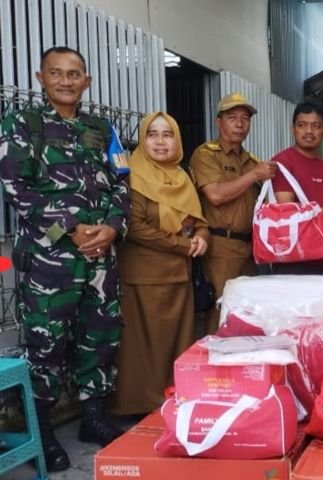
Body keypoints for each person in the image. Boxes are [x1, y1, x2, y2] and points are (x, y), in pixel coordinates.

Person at [0, 46, 130, 471]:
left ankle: (94, 418)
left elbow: (122, 183)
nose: (65, 80)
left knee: (101, 337)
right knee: (46, 345)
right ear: (41, 78)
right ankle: (44, 432)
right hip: (49, 259)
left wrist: (112, 227)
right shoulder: (24, 124)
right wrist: (69, 231)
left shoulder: (100, 127)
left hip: (100, 258)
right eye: (56, 73)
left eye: (74, 74)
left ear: (87, 81)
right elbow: (17, 189)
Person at [112, 112, 208, 415]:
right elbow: (136, 227)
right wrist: (183, 245)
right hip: (144, 277)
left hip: (179, 275)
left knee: (175, 345)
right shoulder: (133, 174)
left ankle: (172, 404)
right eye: (152, 134)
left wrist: (203, 236)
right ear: (142, 139)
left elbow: (196, 217)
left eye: (167, 134)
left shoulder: (183, 176)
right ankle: (142, 408)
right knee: (145, 349)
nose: (160, 141)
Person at [189, 93, 276, 334]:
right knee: (220, 314)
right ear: (219, 122)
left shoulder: (252, 161)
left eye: (245, 118)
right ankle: (214, 370)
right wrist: (254, 176)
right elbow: (215, 195)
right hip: (221, 248)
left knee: (246, 316)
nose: (239, 123)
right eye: (232, 117)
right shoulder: (206, 154)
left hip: (251, 249)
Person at [270, 99, 323, 275]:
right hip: (294, 258)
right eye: (302, 125)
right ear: (293, 129)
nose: (309, 131)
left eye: (316, 126)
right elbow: (286, 210)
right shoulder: (282, 162)